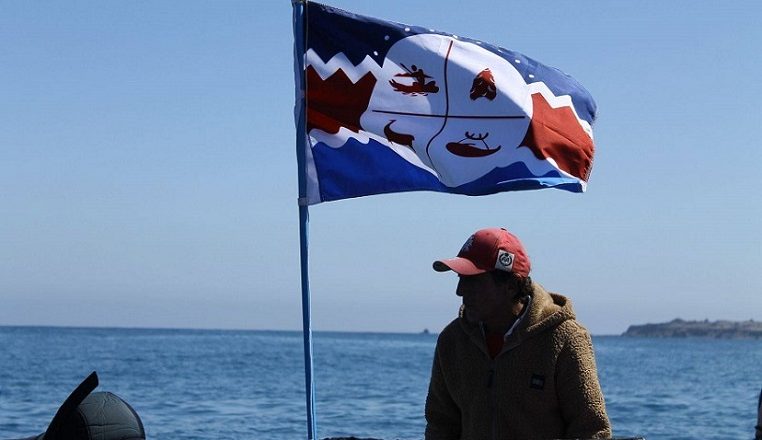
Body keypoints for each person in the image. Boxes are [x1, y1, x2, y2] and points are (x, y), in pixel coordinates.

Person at [425, 227, 611, 439]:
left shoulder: (565, 338)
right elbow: (440, 425)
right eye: (460, 278)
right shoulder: (452, 341)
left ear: (511, 285)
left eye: (472, 281)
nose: (460, 290)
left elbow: (592, 430)